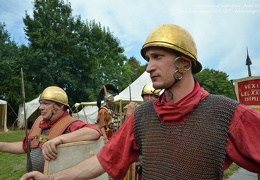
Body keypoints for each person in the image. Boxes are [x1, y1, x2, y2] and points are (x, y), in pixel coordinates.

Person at [21, 24, 260, 180]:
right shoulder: (144, 115)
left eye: (157, 57)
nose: (149, 67)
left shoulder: (225, 113)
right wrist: (51, 178)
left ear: (184, 63)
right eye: (148, 59)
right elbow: (105, 159)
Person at [0, 86, 101, 173]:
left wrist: (60, 139)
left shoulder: (70, 125)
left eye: (46, 103)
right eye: (41, 103)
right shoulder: (40, 123)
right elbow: (27, 146)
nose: (41, 107)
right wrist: (1, 146)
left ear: (60, 106)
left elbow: (94, 131)